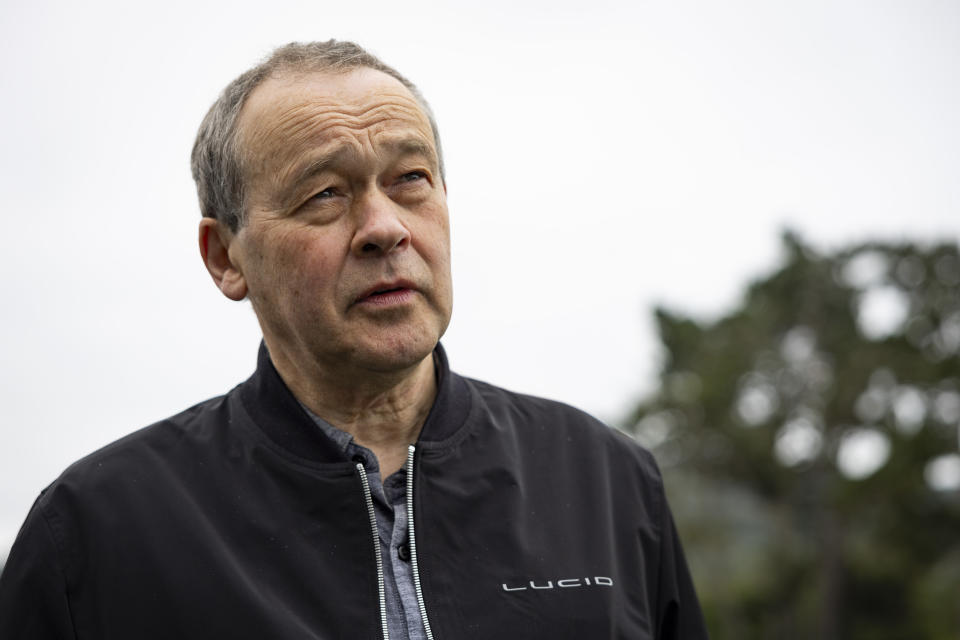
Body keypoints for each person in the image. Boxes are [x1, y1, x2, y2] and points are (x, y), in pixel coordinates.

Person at [0, 41, 709, 639]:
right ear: (225, 258)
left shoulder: (608, 483)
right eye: (325, 195)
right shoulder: (99, 533)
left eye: (411, 180)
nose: (385, 227)